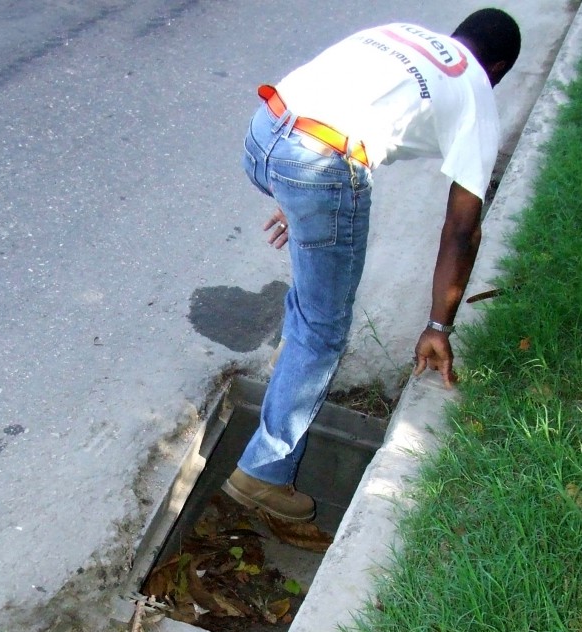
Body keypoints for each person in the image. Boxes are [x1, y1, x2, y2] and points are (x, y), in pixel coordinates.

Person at [223, 9, 521, 523]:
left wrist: (302, 196)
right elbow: (462, 230)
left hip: (265, 134)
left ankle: (288, 377)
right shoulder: (474, 90)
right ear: (496, 67)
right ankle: (263, 475)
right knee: (325, 331)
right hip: (315, 161)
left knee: (315, 301)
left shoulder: (402, 35)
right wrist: (437, 325)